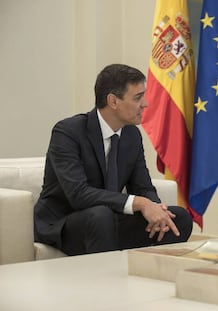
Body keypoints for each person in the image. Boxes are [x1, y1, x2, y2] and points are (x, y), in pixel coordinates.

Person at [34, 64, 193, 255]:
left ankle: (147, 275)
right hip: (65, 221)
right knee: (101, 216)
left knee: (179, 217)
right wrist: (140, 203)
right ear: (113, 101)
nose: (145, 104)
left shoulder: (131, 135)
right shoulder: (68, 132)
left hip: (109, 218)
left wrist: (155, 208)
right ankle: (106, 282)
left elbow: (142, 187)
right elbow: (78, 194)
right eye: (137, 98)